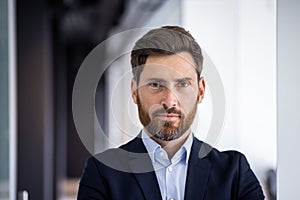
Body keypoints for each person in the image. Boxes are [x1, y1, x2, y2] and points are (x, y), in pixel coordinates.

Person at [77, 26, 265, 200]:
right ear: (134, 91)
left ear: (200, 91)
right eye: (155, 84)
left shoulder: (234, 173)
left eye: (183, 84)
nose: (169, 100)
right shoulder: (102, 172)